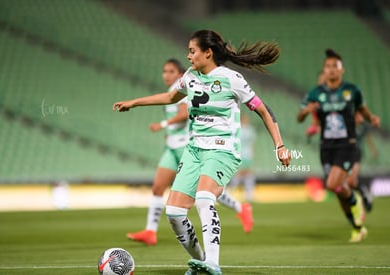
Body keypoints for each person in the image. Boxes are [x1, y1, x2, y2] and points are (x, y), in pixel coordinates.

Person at [113, 29, 290, 275]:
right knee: (174, 213)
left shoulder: (232, 79)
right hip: (194, 150)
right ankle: (201, 262)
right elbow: (170, 97)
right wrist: (134, 102)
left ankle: (214, 264)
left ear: (208, 53)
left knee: (205, 198)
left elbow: (263, 110)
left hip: (223, 150)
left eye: (192, 51)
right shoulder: (190, 76)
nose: (188, 56)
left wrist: (279, 145)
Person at [127, 59, 254, 246]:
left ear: (180, 74)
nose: (166, 75)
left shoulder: (190, 88)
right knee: (158, 187)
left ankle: (240, 208)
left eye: (171, 71)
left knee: (204, 192)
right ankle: (150, 231)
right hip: (172, 147)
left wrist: (162, 125)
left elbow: (183, 114)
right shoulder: (171, 93)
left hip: (189, 146)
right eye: (164, 71)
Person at [297, 49, 380, 243]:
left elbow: (363, 110)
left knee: (333, 184)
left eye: (335, 66)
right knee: (337, 190)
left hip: (347, 145)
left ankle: (355, 200)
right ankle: (357, 227)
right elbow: (300, 117)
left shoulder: (352, 91)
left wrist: (372, 118)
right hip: (326, 147)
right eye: (328, 66)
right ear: (324, 71)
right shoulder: (316, 93)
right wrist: (306, 112)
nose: (331, 69)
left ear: (342, 70)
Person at [228, 114, 257, 202]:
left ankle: (248, 194)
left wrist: (252, 154)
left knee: (248, 174)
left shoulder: (250, 129)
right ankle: (229, 192)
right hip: (240, 154)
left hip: (248, 155)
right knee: (240, 173)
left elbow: (252, 143)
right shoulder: (237, 129)